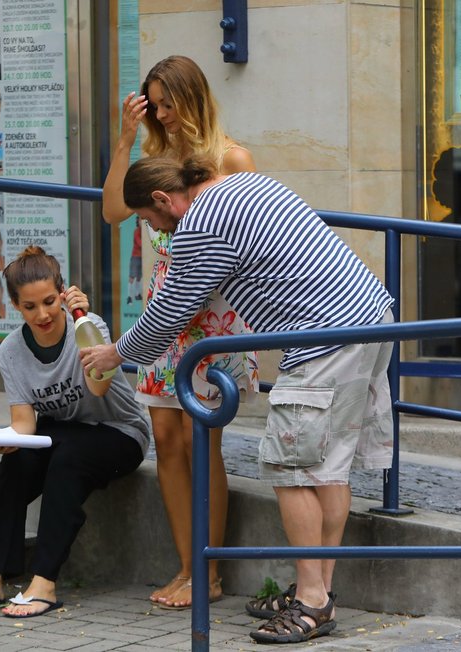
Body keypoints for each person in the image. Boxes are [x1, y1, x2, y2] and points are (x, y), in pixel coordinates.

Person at [80, 155, 395, 644]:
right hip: (369, 317)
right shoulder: (242, 184)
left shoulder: (199, 224)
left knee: (293, 471)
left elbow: (168, 316)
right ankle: (320, 591)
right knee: (328, 467)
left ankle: (312, 602)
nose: (154, 228)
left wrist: (114, 352)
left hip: (323, 338)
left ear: (163, 200)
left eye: (148, 219)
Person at [100, 54, 259, 609]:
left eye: (170, 103)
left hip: (213, 313)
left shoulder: (230, 158)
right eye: (155, 105)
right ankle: (188, 566)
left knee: (202, 438)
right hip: (162, 315)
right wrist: (124, 141)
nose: (163, 115)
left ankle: (208, 573)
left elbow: (253, 229)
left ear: (194, 98)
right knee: (165, 438)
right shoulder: (154, 156)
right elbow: (114, 211)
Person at [0, 246, 150, 618]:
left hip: (118, 432)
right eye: (30, 307)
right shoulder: (11, 350)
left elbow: (98, 389)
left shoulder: (88, 325)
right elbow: (25, 424)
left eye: (50, 302)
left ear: (63, 293)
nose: (43, 314)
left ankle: (45, 582)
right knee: (17, 462)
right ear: (16, 305)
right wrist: (3, 440)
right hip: (60, 431)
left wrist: (83, 323)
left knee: (67, 459)